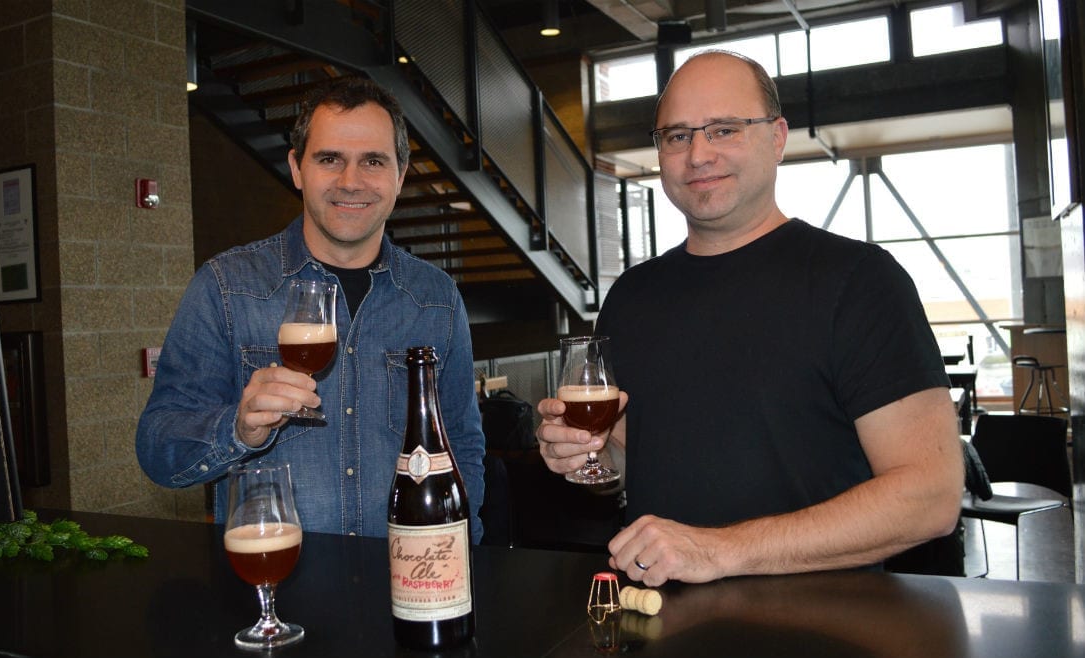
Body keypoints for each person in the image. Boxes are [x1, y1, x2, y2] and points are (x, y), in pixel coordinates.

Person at [535, 51, 964, 584]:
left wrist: (720, 551)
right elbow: (627, 465)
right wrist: (586, 457)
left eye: (724, 129)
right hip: (662, 614)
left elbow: (930, 495)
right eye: (677, 136)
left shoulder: (859, 281)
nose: (698, 155)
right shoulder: (631, 296)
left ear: (777, 138)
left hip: (824, 622)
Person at [136, 77, 486, 542]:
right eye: (329, 159)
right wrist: (237, 428)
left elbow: (463, 446)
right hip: (277, 580)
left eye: (373, 161)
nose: (351, 181)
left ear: (400, 176)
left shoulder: (437, 298)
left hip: (410, 573)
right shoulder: (226, 287)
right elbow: (158, 449)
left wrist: (457, 550)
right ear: (297, 169)